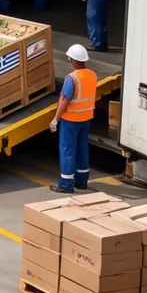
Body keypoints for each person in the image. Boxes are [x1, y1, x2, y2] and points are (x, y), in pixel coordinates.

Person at [48, 45, 96, 193]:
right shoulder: (92, 75)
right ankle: (82, 181)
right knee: (82, 149)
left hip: (71, 120)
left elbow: (64, 100)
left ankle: (66, 183)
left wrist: (56, 119)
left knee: (67, 150)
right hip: (86, 118)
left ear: (74, 61)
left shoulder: (72, 78)